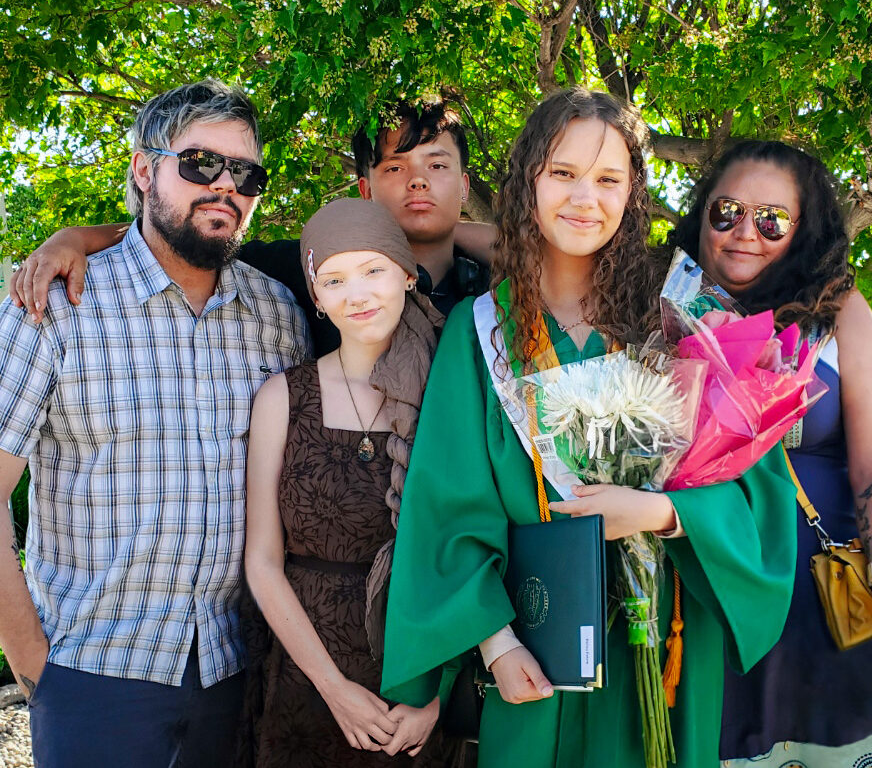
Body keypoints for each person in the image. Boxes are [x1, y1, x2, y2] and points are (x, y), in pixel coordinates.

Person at [380, 88, 797, 768]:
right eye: (563, 173)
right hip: (535, 639)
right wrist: (496, 643)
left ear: (634, 193)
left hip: (661, 646)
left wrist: (661, 511)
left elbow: (762, 494)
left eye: (608, 179)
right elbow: (447, 510)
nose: (584, 198)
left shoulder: (684, 319)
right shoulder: (480, 331)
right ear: (528, 184)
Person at [0, 79, 309, 767]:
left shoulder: (280, 313)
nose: (225, 185)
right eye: (200, 164)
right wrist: (34, 667)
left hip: (234, 677)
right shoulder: (56, 305)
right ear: (145, 170)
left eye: (246, 173)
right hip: (92, 678)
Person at [667, 140, 872, 767]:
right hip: (704, 591)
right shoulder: (660, 298)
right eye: (726, 211)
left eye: (772, 220)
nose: (744, 233)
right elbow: (537, 246)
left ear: (804, 231)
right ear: (701, 213)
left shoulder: (839, 313)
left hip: (822, 597)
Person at [9, 100, 493, 354]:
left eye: (437, 166)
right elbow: (188, 234)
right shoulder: (305, 267)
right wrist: (74, 238)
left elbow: (550, 248)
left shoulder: (499, 284)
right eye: (394, 167)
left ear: (466, 185)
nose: (417, 183)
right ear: (363, 190)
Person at [237, 197, 450, 767]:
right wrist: (333, 688)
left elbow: (474, 549)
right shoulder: (284, 397)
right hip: (308, 681)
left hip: (419, 686)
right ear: (317, 297)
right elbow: (262, 560)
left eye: (373, 270)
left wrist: (436, 698)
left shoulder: (451, 391)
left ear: (407, 274)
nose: (357, 295)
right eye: (334, 279)